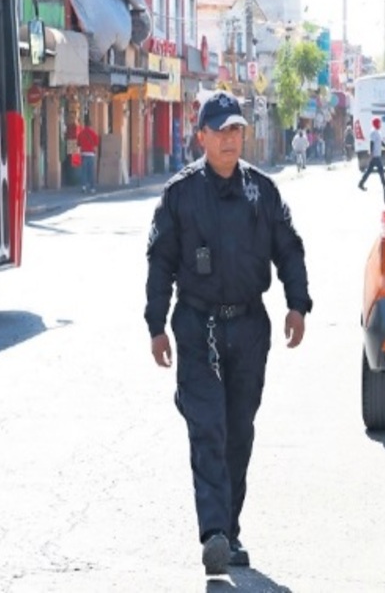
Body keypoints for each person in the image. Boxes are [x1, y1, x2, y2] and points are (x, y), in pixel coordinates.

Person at [144, 91, 312, 576]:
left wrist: (297, 304)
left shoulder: (263, 191)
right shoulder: (180, 195)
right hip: (197, 326)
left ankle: (229, 531)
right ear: (201, 136)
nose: (229, 139)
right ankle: (214, 532)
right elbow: (160, 262)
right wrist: (156, 325)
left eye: (236, 129)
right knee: (208, 429)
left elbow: (289, 248)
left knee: (238, 431)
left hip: (249, 326)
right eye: (219, 131)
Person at [358, 117, 385, 191]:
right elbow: (371, 143)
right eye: (379, 123)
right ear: (376, 124)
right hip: (375, 155)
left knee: (369, 171)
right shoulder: (373, 132)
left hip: (377, 154)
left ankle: (361, 184)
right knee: (380, 170)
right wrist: (371, 153)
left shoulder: (378, 132)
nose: (380, 124)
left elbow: (381, 142)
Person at [77, 122, 99, 193]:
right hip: (91, 154)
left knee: (84, 172)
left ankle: (83, 187)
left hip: (83, 154)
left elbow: (78, 144)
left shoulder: (81, 133)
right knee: (91, 172)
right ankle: (92, 188)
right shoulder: (93, 133)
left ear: (84, 125)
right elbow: (96, 143)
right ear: (90, 126)